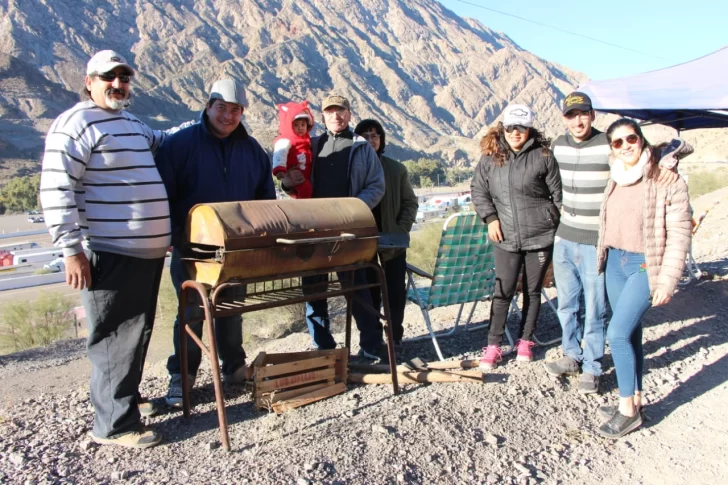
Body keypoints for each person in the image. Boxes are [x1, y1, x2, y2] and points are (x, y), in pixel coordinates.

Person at [40, 50, 170, 448]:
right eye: (108, 77)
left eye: (124, 77)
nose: (118, 84)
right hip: (109, 251)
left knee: (136, 332)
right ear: (89, 81)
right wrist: (70, 249)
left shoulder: (129, 122)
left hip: (144, 255)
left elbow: (165, 140)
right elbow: (55, 187)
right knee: (114, 335)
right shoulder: (75, 124)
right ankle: (114, 427)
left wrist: (207, 124)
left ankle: (125, 402)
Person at [544, 92, 680, 394]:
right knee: (567, 303)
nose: (577, 120)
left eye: (583, 114)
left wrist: (668, 162)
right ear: (564, 118)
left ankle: (592, 365)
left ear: (592, 115)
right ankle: (571, 355)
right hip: (565, 237)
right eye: (571, 115)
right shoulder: (558, 145)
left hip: (597, 240)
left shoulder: (611, 144)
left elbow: (640, 160)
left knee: (595, 306)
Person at [154, 79, 276, 408]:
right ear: (208, 107)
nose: (227, 115)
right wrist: (176, 236)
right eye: (221, 107)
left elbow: (265, 201)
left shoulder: (253, 151)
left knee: (231, 310)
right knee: (192, 312)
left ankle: (234, 368)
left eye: (235, 110)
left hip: (237, 251)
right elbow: (163, 195)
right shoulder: (179, 146)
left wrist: (257, 241)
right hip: (192, 250)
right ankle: (183, 377)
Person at [595, 119, 692, 439]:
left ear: (642, 139)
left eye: (631, 138)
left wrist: (667, 280)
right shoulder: (616, 177)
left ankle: (627, 413)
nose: (626, 146)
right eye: (617, 143)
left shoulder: (666, 179)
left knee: (617, 333)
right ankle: (634, 399)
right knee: (631, 332)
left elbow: (679, 234)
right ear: (612, 148)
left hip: (642, 265)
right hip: (615, 263)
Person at [280, 94, 386, 360]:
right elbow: (292, 182)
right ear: (323, 116)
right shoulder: (310, 145)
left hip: (349, 231)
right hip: (314, 231)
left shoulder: (361, 147)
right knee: (313, 291)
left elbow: (376, 186)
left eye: (341, 111)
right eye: (330, 112)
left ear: (349, 114)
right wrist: (288, 183)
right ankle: (324, 347)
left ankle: (372, 345)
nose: (336, 116)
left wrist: (352, 211)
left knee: (357, 288)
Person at [471, 104, 562, 370]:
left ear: (529, 129)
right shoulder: (490, 158)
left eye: (521, 127)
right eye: (510, 127)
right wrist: (490, 218)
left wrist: (551, 222)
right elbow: (479, 190)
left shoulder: (544, 155)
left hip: (540, 236)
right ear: (503, 128)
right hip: (505, 236)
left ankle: (525, 340)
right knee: (503, 291)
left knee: (533, 291)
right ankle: (494, 345)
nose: (515, 132)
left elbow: (558, 196)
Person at [354, 119, 419, 346]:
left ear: (381, 140)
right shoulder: (353, 168)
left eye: (375, 135)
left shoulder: (396, 169)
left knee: (395, 291)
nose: (371, 140)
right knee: (369, 290)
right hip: (365, 241)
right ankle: (373, 339)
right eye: (365, 135)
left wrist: (401, 228)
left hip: (393, 239)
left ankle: (394, 335)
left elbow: (410, 202)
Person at [272, 101, 314, 198]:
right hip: (296, 174)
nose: (300, 128)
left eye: (303, 125)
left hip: (304, 174)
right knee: (305, 190)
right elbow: (280, 153)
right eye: (296, 125)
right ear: (289, 126)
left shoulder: (308, 141)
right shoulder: (286, 140)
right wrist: (279, 169)